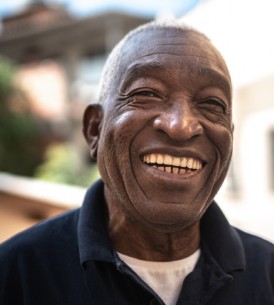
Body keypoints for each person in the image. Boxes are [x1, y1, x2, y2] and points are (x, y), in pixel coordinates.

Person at [0, 18, 274, 305]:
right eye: (147, 93)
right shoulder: (16, 278)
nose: (181, 125)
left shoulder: (267, 274)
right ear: (94, 129)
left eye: (212, 104)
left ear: (229, 138)